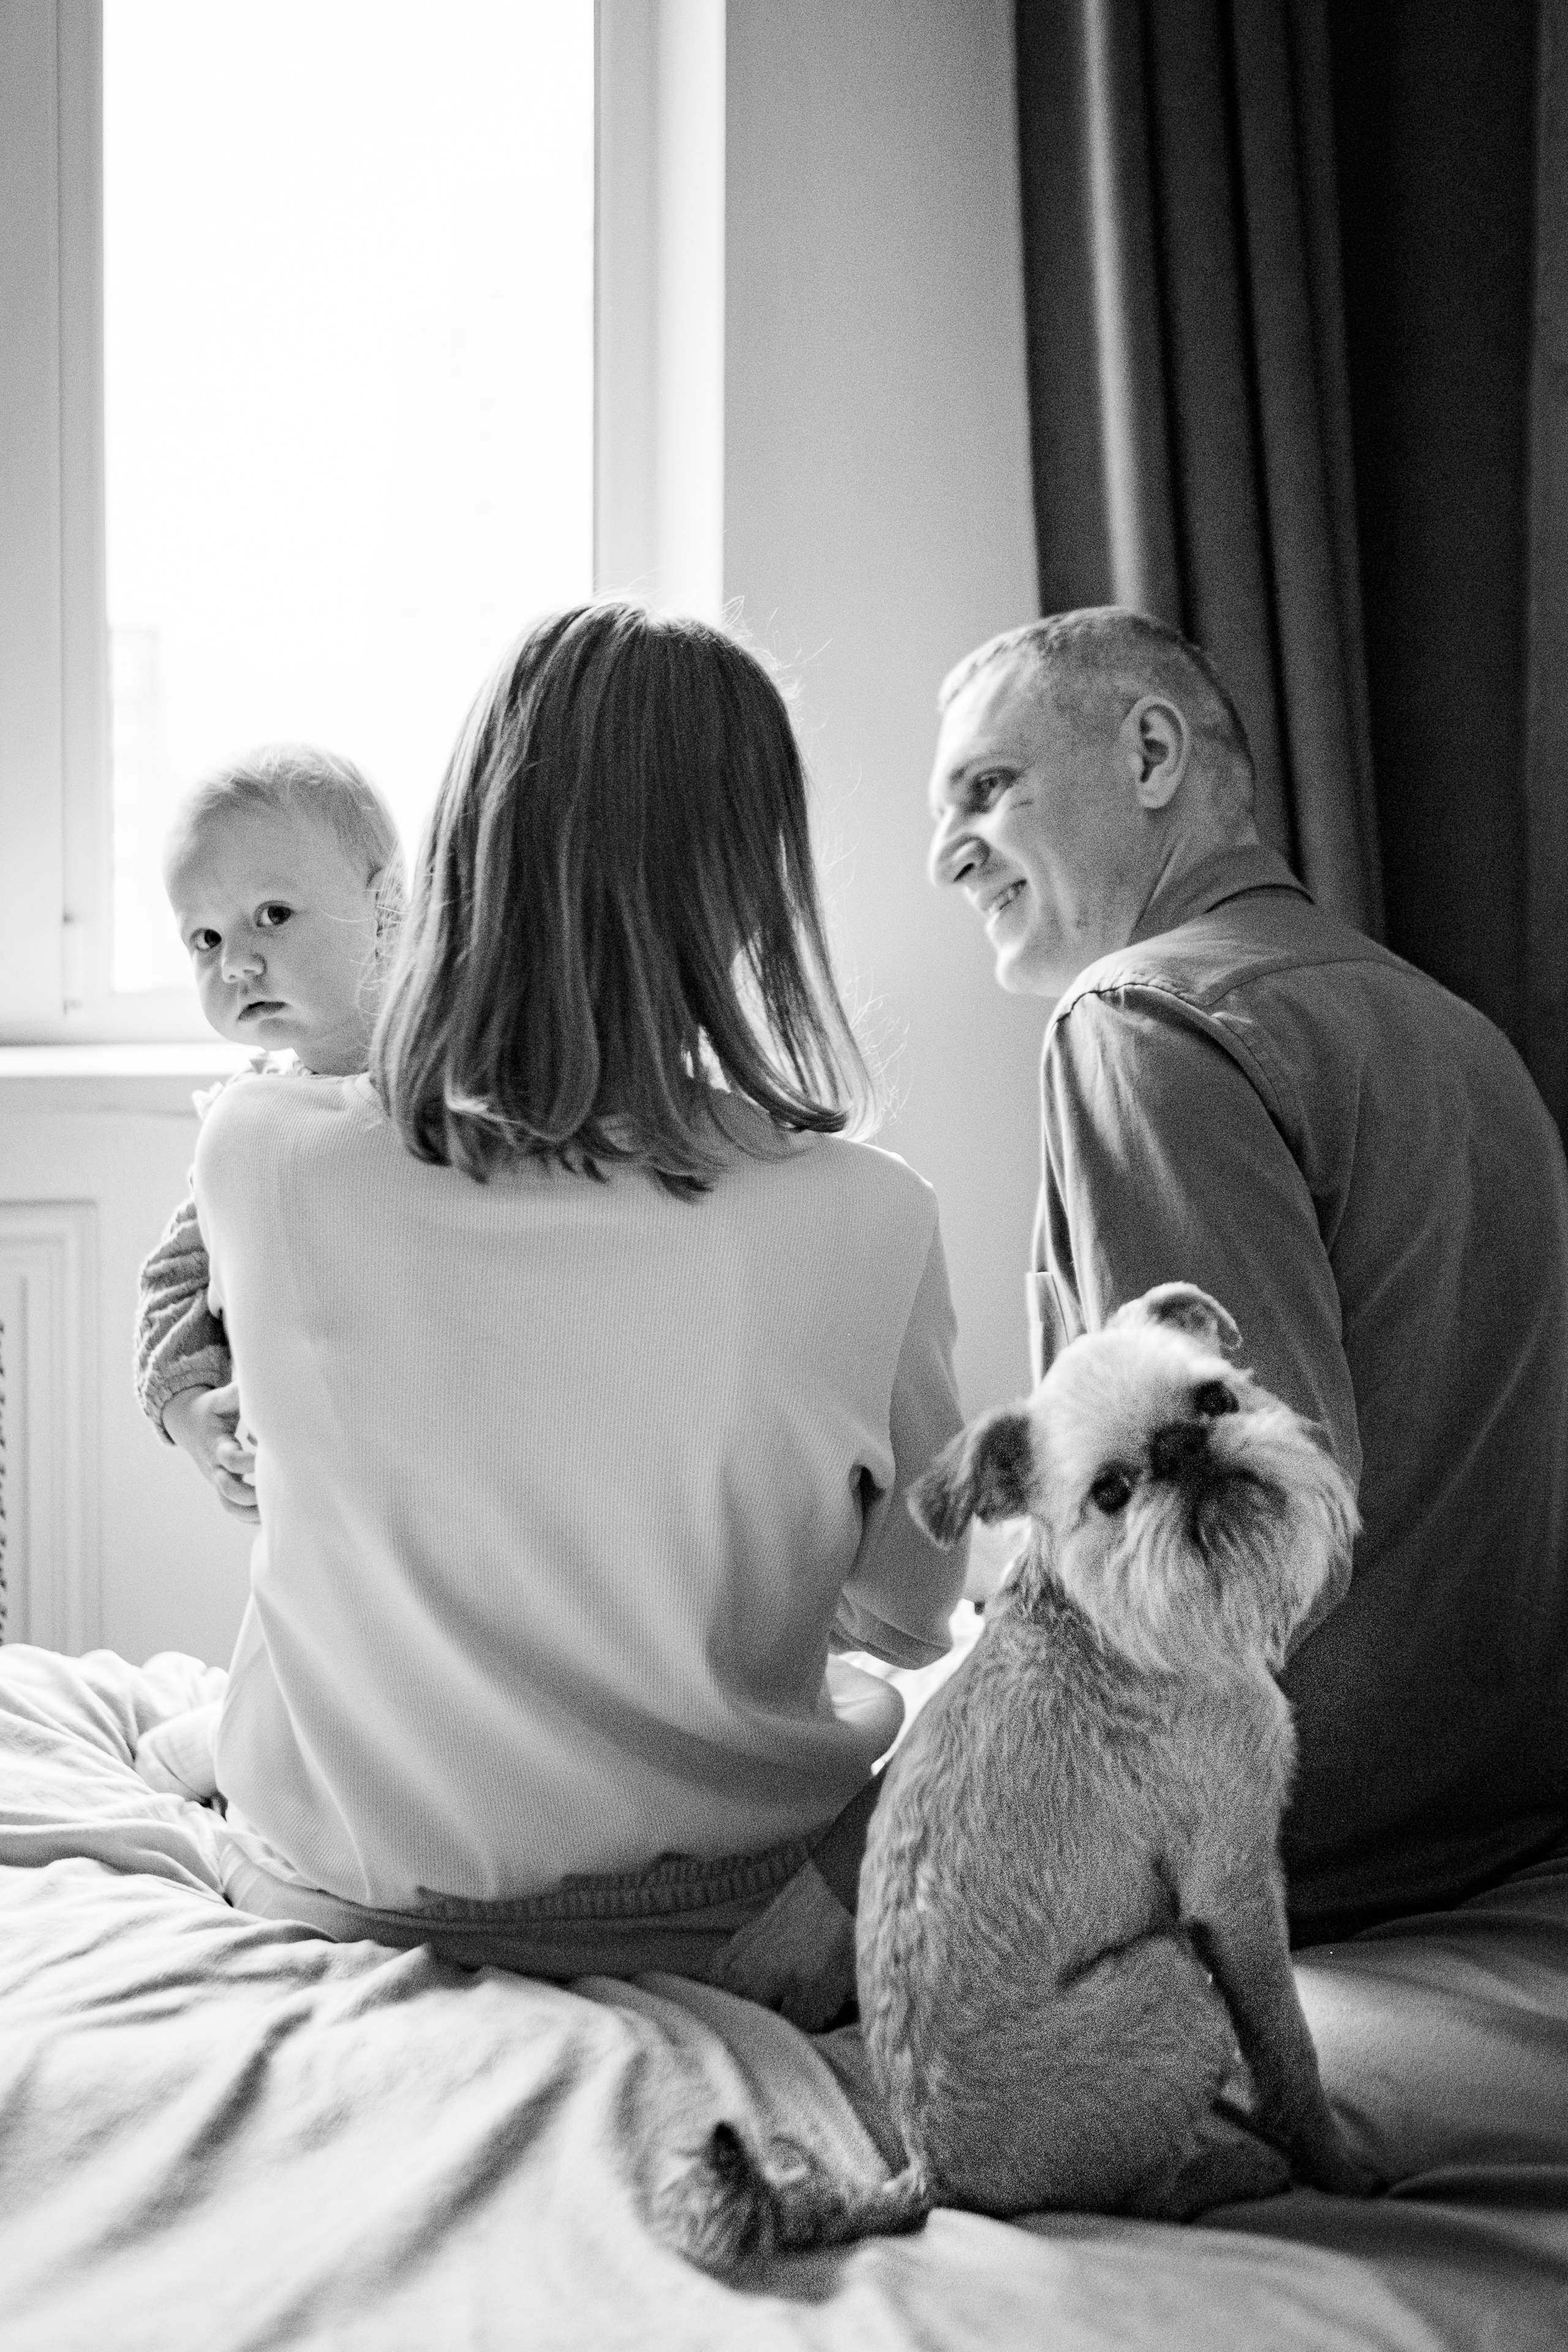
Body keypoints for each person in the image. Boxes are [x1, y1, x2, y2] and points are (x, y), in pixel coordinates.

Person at [181, 601, 966, 1982]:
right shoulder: (873, 1215)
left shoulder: (264, 1158)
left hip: (350, 1892)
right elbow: (905, 1617)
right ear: (751, 883)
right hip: (735, 1910)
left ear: (460, 857)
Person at [926, 604, 1568, 1948]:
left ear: (1149, 751)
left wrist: (848, 1873)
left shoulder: (1133, 1020)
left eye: (985, 788)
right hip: (1494, 1816)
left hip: (1279, 1851)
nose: (945, 855)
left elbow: (1206, 1561)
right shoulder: (1465, 1041)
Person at [132, 744, 403, 1801]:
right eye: (204, 938)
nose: (234, 962)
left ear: (389, 904)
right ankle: (247, 1729)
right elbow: (170, 1284)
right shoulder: (245, 1121)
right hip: (311, 1462)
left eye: (272, 918)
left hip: (447, 1447)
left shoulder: (464, 1080)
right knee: (307, 1595)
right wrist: (195, 1413)